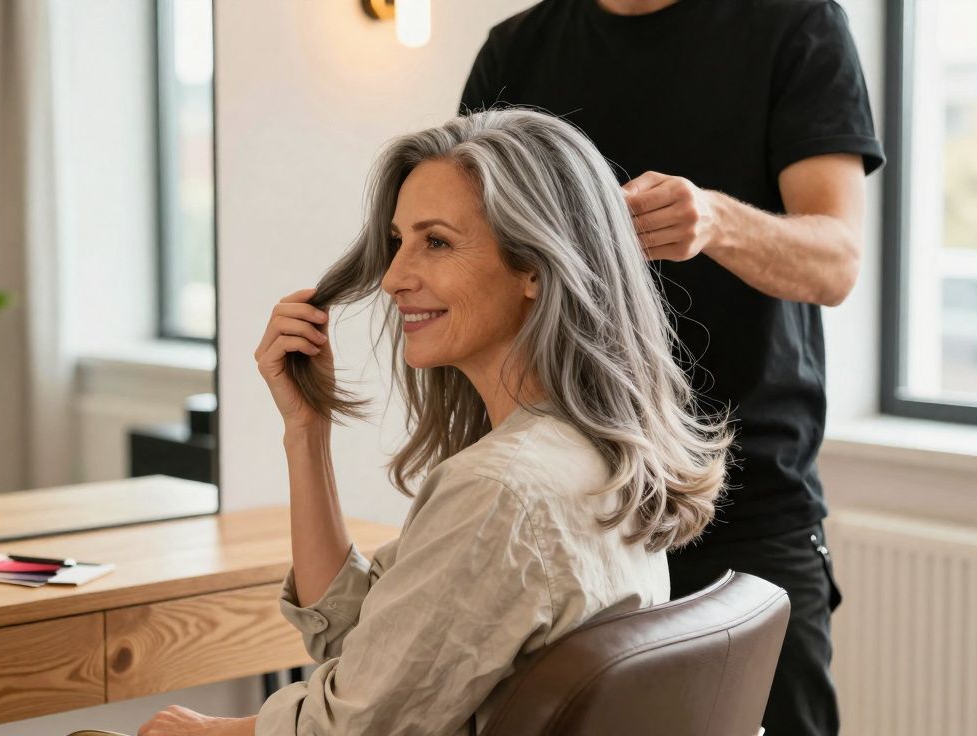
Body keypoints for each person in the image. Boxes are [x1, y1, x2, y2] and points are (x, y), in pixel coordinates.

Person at [136, 110, 731, 735]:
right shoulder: (592, 455)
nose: (394, 278)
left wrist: (206, 733)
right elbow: (370, 648)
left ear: (534, 266)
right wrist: (306, 435)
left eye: (437, 242)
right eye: (398, 242)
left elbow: (348, 729)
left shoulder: (501, 492)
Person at [457, 2, 885, 734]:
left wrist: (716, 222)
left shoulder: (795, 23)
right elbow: (473, 251)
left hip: (748, 507)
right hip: (567, 508)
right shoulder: (515, 51)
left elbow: (837, 262)